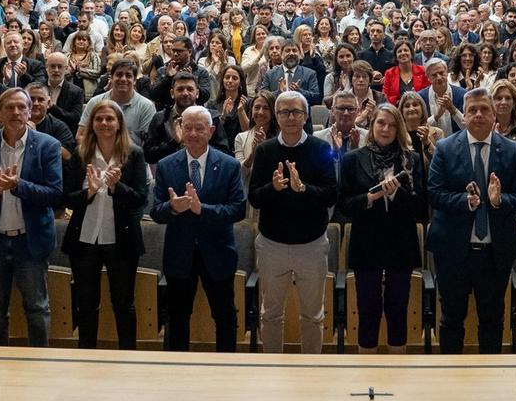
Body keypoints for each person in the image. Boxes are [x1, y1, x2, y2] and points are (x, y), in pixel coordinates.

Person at [425, 87, 516, 354]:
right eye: (472, 110)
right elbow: (434, 194)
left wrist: (499, 201)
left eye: (484, 109)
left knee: (492, 321)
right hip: (452, 250)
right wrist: (465, 201)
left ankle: (490, 377)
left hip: (495, 252)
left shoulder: (513, 150)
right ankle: (451, 374)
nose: (479, 115)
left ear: (494, 114)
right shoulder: (445, 148)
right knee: (451, 319)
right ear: (464, 115)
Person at [0, 88, 63, 347]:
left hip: (30, 241)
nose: (16, 112)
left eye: (21, 107)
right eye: (9, 107)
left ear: (30, 112)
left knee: (37, 309)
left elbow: (54, 194)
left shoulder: (48, 145)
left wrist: (18, 185)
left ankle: (40, 362)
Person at [247, 91, 338, 353]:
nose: (290, 117)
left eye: (296, 112)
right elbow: (254, 198)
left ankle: (310, 369)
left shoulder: (320, 149)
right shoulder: (265, 151)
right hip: (272, 244)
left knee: (313, 315)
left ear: (306, 116)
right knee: (270, 313)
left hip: (311, 244)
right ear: (276, 117)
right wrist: (273, 188)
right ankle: (272, 367)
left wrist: (304, 189)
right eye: (284, 112)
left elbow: (331, 195)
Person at [152, 105, 247, 351]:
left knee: (225, 316)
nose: (193, 133)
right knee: (177, 317)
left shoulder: (229, 165)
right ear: (180, 129)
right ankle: (177, 368)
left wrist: (201, 209)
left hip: (218, 253)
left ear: (211, 131)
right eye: (188, 128)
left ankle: (226, 367)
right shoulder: (166, 165)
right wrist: (173, 207)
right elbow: (155, 211)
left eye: (199, 128)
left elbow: (238, 210)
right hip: (179, 254)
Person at [337, 104, 428, 353]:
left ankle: (397, 368)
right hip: (366, 244)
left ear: (399, 129)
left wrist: (397, 194)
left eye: (392, 125)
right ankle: (367, 367)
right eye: (381, 123)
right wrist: (369, 198)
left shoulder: (412, 159)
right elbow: (343, 205)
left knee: (398, 310)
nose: (386, 129)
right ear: (371, 125)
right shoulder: (353, 159)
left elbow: (421, 207)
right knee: (368, 310)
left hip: (401, 244)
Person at [61, 100, 148, 349]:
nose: (104, 123)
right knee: (86, 304)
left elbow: (140, 199)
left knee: (123, 304)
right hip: (85, 239)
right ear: (91, 124)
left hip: (122, 240)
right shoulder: (80, 154)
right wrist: (89, 192)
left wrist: (116, 187)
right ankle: (86, 357)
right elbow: (66, 198)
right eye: (99, 119)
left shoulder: (134, 154)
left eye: (110, 118)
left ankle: (127, 357)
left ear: (119, 123)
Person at [78, 58, 157, 148]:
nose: (123, 79)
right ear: (111, 77)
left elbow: (148, 144)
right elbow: (81, 135)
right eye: (119, 75)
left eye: (128, 75)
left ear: (135, 80)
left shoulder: (146, 106)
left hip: (131, 155)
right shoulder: (95, 102)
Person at [261, 40, 321, 106]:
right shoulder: (270, 74)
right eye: (287, 51)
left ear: (300, 54)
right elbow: (263, 97)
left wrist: (300, 92)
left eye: (294, 50)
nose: (291, 53)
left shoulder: (310, 74)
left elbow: (316, 97)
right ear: (281, 54)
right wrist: (278, 92)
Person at [382, 39, 428, 103]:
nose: (403, 53)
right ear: (396, 56)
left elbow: (427, 92)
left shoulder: (423, 71)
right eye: (399, 51)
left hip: (419, 105)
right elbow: (385, 95)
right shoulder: (389, 73)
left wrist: (417, 95)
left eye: (406, 50)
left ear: (411, 54)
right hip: (395, 107)